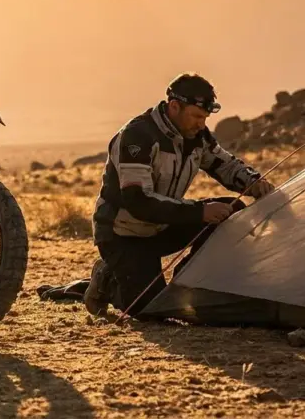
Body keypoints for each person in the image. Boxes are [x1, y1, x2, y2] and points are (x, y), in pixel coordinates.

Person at [83, 72, 275, 317]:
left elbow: (225, 166)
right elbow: (138, 200)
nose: (201, 124)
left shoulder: (197, 136)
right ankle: (107, 279)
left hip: (162, 226)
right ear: (174, 107)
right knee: (150, 310)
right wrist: (200, 212)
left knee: (232, 210)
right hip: (123, 234)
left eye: (204, 118)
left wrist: (256, 183)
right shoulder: (137, 136)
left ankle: (188, 282)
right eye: (196, 116)